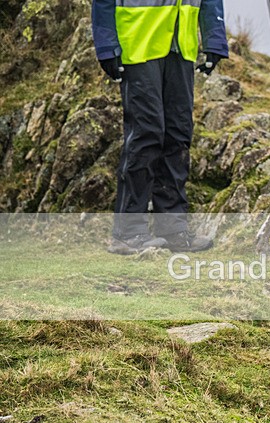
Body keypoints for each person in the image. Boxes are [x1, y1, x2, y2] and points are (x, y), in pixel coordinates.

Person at [91, 0, 228, 255]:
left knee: (178, 135)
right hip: (138, 45)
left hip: (181, 47)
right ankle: (129, 232)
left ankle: (173, 230)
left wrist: (214, 38)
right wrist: (106, 44)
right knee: (146, 135)